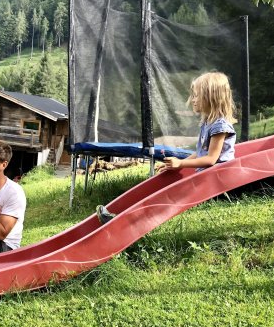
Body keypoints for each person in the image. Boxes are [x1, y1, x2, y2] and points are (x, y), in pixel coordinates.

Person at [96, 71, 237, 224]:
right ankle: (121, 215)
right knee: (161, 189)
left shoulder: (220, 126)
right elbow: (200, 153)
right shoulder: (207, 123)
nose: (192, 99)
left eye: (197, 95)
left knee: (169, 198)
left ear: (211, 97)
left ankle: (125, 220)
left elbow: (210, 159)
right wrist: (178, 165)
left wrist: (181, 163)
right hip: (205, 177)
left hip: (216, 181)